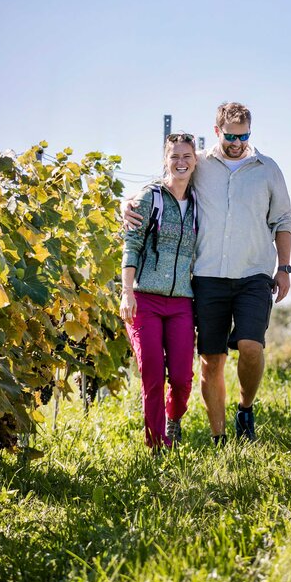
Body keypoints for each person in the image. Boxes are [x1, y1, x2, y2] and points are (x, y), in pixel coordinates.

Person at [125, 102, 291, 444]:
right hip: (207, 277)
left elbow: (283, 220)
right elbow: (168, 180)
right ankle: (219, 438)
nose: (237, 142)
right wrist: (127, 203)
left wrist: (285, 268)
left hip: (254, 274)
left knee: (251, 346)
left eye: (244, 135)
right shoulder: (200, 163)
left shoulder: (267, 168)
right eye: (231, 136)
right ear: (217, 131)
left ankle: (245, 408)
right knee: (211, 360)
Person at [120, 133, 199, 452]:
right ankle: (156, 445)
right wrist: (127, 292)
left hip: (182, 301)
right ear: (165, 161)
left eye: (187, 156)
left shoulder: (198, 203)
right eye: (174, 157)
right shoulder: (149, 197)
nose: (180, 162)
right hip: (145, 300)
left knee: (181, 378)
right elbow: (132, 245)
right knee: (152, 373)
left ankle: (173, 419)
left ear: (195, 160)